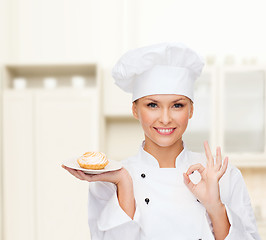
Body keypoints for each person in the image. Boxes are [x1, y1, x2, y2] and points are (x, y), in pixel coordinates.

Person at [62, 42, 261, 240]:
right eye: (152, 105)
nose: (165, 118)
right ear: (135, 110)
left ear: (191, 110)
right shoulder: (109, 181)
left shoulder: (223, 176)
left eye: (177, 105)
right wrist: (124, 183)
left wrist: (214, 207)